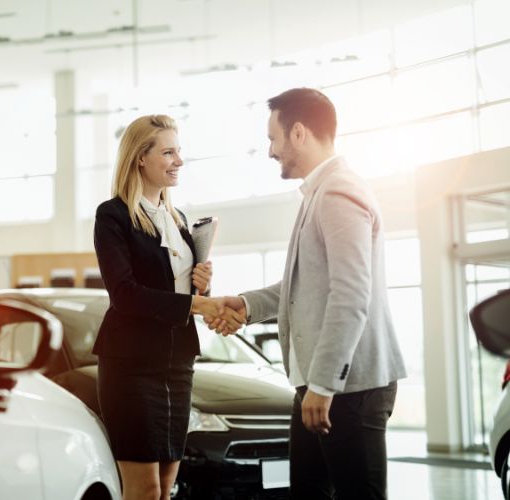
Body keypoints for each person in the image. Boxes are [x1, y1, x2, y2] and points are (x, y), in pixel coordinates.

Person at [210, 88, 407, 500]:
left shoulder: (338, 192)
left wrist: (322, 385)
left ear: (297, 133)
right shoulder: (320, 192)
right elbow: (306, 285)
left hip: (348, 389)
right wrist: (246, 306)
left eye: (272, 139)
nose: (270, 151)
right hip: (323, 386)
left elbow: (351, 293)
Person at [93, 114, 244, 500]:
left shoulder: (178, 220)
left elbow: (176, 288)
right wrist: (197, 303)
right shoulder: (113, 216)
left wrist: (201, 282)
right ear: (140, 158)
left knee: (164, 489)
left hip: (178, 365)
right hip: (132, 367)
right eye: (169, 152)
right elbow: (124, 294)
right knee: (142, 491)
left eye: (179, 152)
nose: (179, 161)